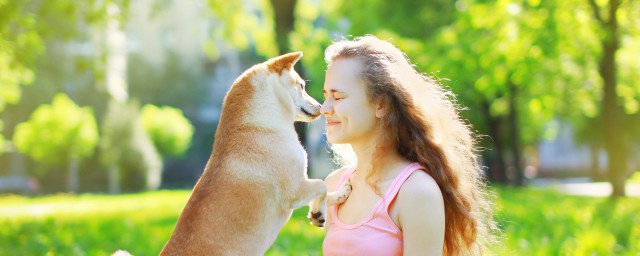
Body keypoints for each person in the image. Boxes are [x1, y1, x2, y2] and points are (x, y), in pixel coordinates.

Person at [319, 35, 495, 256]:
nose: (324, 108)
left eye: (338, 97)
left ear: (381, 104)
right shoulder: (335, 184)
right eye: (325, 96)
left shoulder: (416, 191)